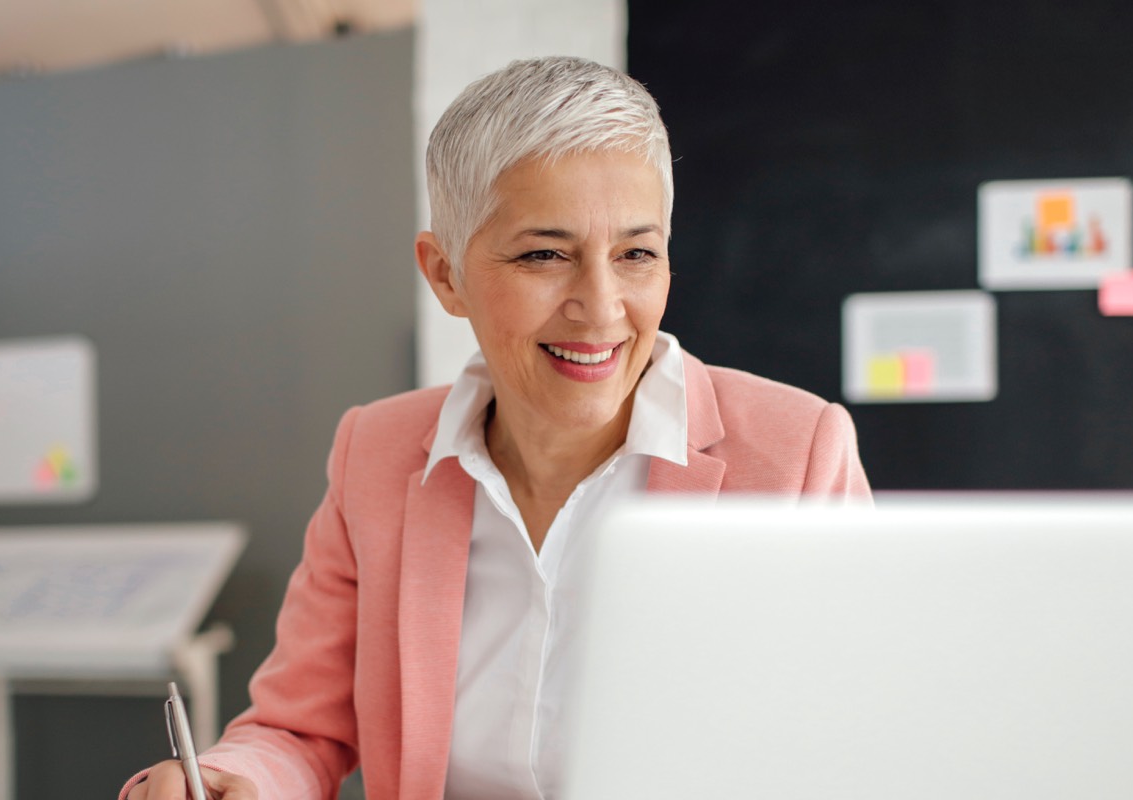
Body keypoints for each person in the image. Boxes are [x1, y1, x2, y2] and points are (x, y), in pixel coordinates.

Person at [125, 54, 870, 800]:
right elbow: (300, 729)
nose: (601, 306)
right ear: (445, 274)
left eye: (636, 254)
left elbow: (866, 736)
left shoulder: (797, 457)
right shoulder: (374, 454)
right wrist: (233, 780)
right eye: (545, 254)